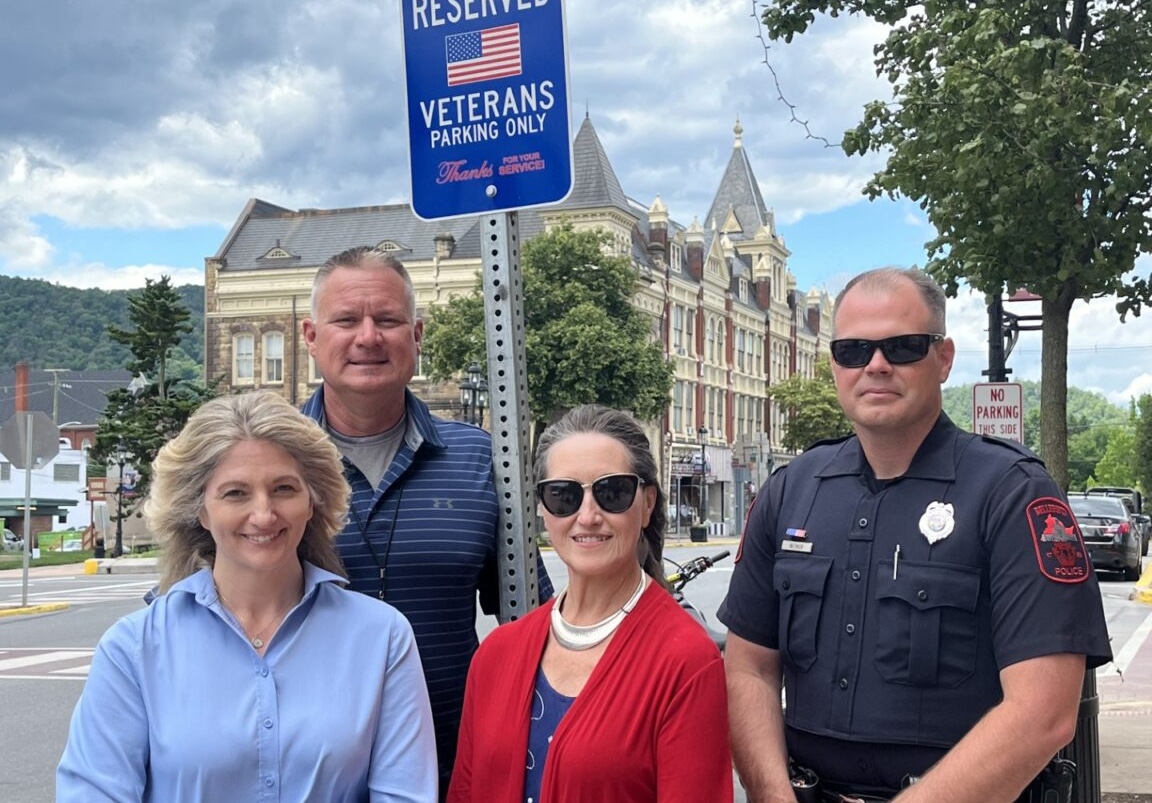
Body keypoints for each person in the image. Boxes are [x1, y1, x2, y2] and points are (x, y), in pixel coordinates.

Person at [720, 266, 1113, 803]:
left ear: (944, 358)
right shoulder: (791, 489)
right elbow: (748, 668)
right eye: (853, 350)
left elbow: (1043, 713)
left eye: (903, 347)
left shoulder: (1011, 494)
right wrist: (770, 793)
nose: (875, 366)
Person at [57, 390, 437, 802]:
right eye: (235, 493)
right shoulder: (133, 649)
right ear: (200, 509)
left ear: (313, 500)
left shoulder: (381, 636)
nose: (263, 514)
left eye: (284, 489)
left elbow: (404, 794)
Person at [300, 246, 554, 796]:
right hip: (302, 778)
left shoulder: (483, 461)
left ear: (416, 336)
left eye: (387, 320)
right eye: (346, 320)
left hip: (453, 772)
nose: (368, 337)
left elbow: (537, 623)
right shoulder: (268, 460)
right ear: (311, 337)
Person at [448, 404, 732, 803]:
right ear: (543, 509)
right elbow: (465, 791)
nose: (588, 516)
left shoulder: (685, 661)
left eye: (612, 492)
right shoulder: (497, 654)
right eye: (563, 496)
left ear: (647, 503)